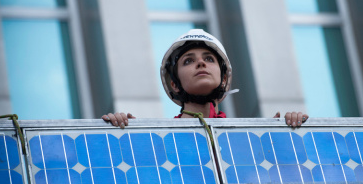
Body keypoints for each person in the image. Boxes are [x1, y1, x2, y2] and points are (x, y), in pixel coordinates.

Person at [102, 29, 308, 128]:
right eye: (188, 61)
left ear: (225, 79)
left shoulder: (249, 137)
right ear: (174, 84)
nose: (200, 64)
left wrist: (284, 136)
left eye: (208, 59)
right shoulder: (154, 140)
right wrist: (117, 136)